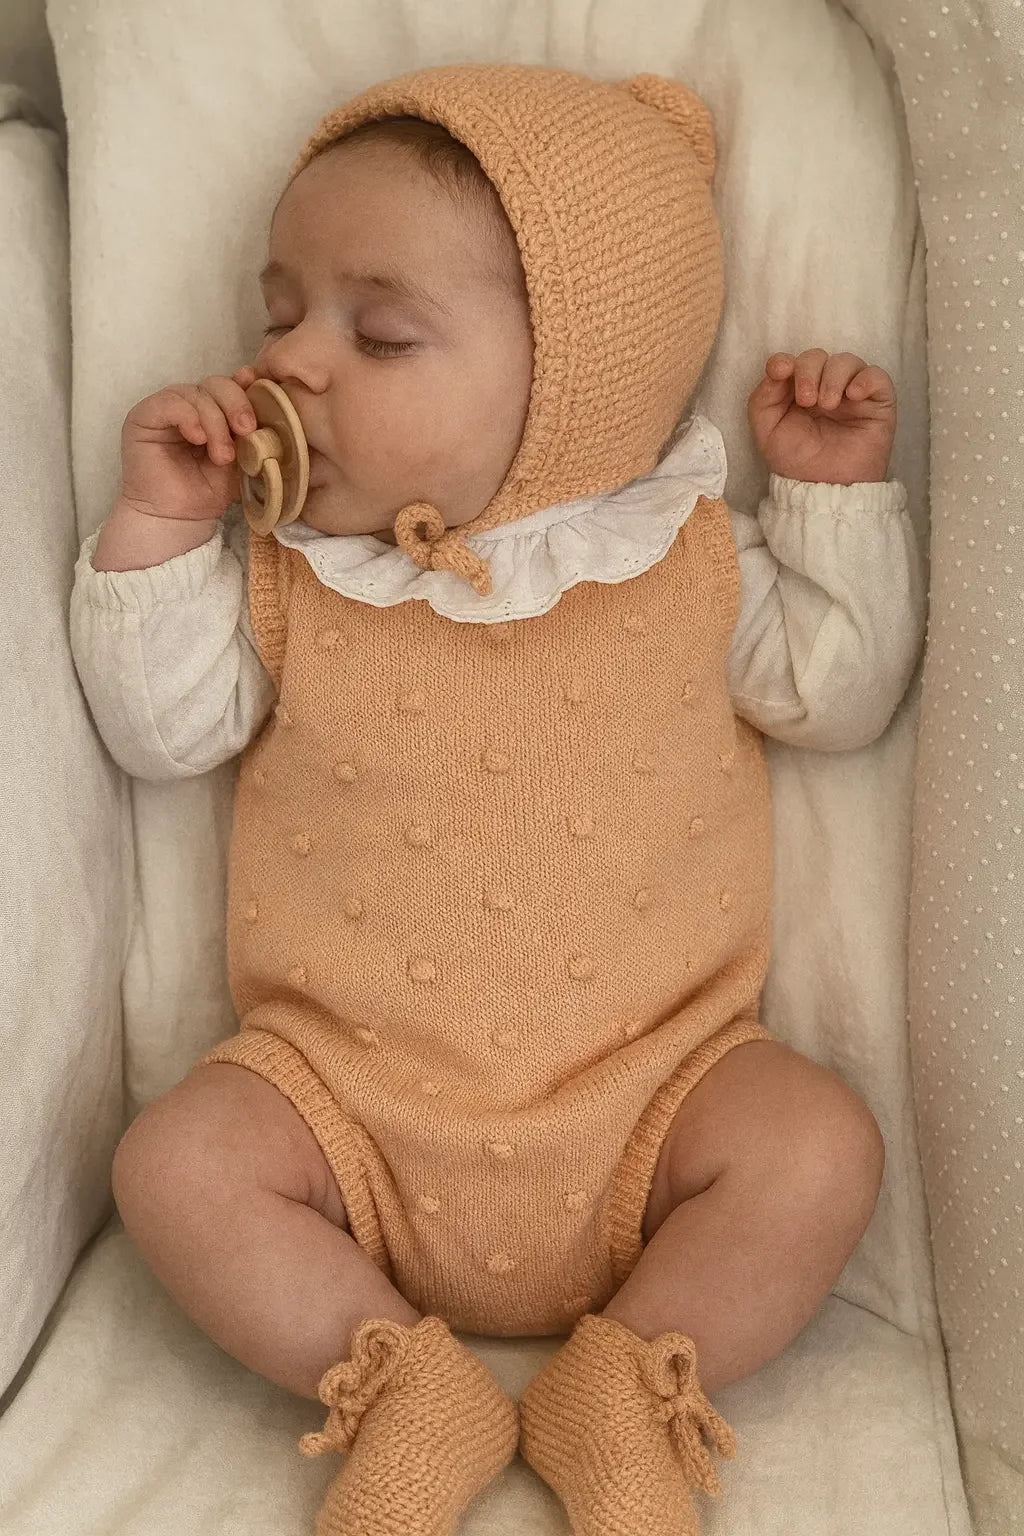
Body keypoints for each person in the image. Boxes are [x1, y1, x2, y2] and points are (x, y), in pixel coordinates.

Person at [69, 62, 924, 1536]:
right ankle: (399, 1386)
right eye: (281, 313)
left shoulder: (681, 556)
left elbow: (837, 694)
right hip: (339, 1111)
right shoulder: (297, 578)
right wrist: (158, 526)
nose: (292, 366)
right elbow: (160, 735)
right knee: (175, 1165)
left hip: (657, 1095)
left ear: (577, 378)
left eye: (381, 333)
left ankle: (629, 1387)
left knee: (820, 1148)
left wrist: (832, 502)